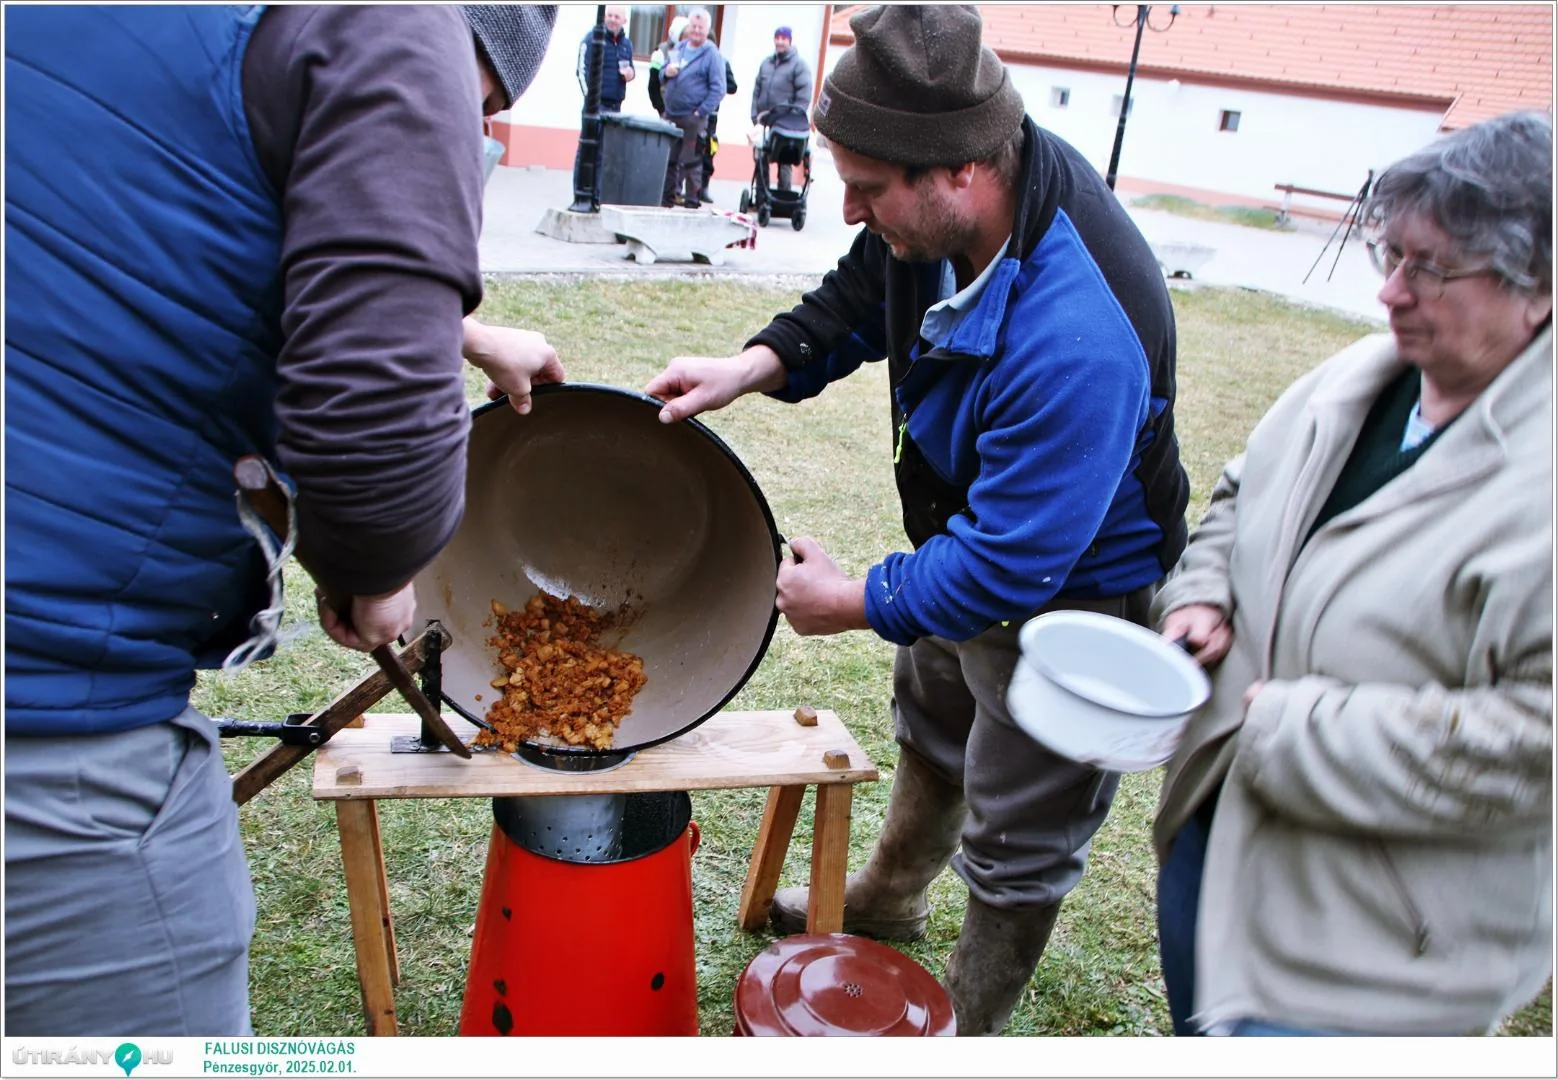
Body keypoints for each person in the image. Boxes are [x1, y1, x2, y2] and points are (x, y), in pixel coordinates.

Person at [4, 3, 560, 1036]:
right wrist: (375, 574)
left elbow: (158, 200)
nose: (470, 125)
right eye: (478, 106)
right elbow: (373, 427)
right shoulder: (403, 21)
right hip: (43, 705)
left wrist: (463, 332)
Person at [645, 5, 1187, 1035]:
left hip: (1071, 595)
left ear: (957, 174)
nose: (849, 209)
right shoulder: (946, 198)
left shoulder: (1079, 329)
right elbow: (867, 287)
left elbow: (1006, 569)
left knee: (1023, 816)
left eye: (865, 188)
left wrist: (850, 599)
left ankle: (965, 1018)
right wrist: (751, 366)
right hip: (970, 530)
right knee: (935, 719)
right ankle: (890, 896)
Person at [1151, 111, 1553, 1038]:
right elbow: (1240, 495)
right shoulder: (1357, 381)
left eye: (1432, 268)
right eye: (1390, 255)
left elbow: (1539, 736)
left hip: (1376, 952)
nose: (1392, 295)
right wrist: (1204, 591)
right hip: (1223, 844)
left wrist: (1299, 726)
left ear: (1537, 289)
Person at [657, 8, 727, 209]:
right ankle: (666, 201)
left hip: (693, 117)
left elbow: (719, 88)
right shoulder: (679, 47)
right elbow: (662, 73)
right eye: (693, 26)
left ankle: (692, 203)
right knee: (669, 161)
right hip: (671, 114)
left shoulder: (712, 55)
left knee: (692, 163)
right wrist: (666, 72)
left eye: (700, 27)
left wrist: (700, 112)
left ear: (707, 29)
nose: (696, 31)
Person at [750, 26, 814, 193]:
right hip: (765, 120)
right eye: (777, 38)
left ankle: (783, 196)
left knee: (785, 160)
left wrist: (792, 118)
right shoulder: (766, 63)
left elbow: (803, 96)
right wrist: (754, 115)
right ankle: (761, 195)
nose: (780, 42)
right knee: (761, 156)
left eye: (783, 39)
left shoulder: (799, 66)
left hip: (786, 124)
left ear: (790, 41)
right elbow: (757, 90)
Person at [575, 4, 634, 114]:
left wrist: (630, 74)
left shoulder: (627, 44)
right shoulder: (592, 38)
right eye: (609, 15)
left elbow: (631, 71)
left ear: (624, 21)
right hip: (594, 106)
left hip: (616, 107)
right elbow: (581, 71)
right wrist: (590, 99)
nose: (612, 19)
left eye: (617, 17)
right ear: (604, 17)